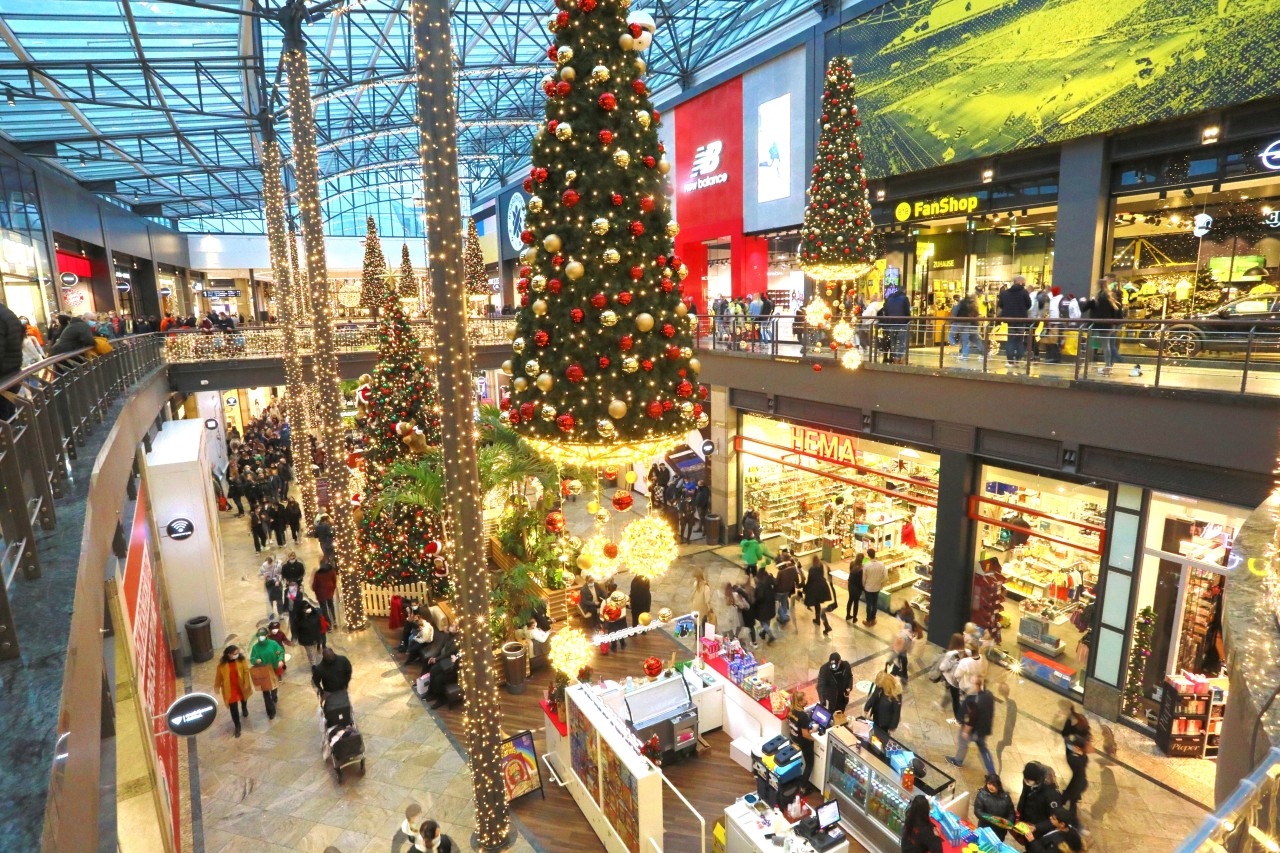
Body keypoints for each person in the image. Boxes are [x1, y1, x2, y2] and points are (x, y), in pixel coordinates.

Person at [948, 675, 996, 775]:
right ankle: (992, 772)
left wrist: (965, 731)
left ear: (977, 686)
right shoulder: (989, 695)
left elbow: (971, 718)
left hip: (973, 730)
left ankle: (958, 761)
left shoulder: (974, 700)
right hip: (983, 730)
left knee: (963, 743)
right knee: (983, 749)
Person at [213, 644, 253, 737]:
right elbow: (219, 676)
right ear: (229, 654)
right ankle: (237, 725)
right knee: (233, 708)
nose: (237, 655)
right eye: (234, 653)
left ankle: (244, 707)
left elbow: (246, 671)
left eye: (238, 653)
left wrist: (246, 683)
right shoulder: (222, 665)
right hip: (230, 689)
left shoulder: (241, 660)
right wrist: (217, 686)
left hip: (241, 685)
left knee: (244, 698)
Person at [248, 627, 284, 720]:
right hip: (263, 671)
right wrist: (256, 660)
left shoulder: (273, 644)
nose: (261, 638)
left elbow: (280, 651)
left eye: (262, 636)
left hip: (274, 669)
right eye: (259, 636)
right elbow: (252, 659)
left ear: (267, 635)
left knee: (274, 687)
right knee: (266, 692)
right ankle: (270, 711)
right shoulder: (255, 647)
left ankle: (274, 695)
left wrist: (280, 660)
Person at [1016, 762, 1063, 830]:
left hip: (1038, 828)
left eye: (1028, 781)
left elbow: (1055, 819)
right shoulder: (1029, 781)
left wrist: (1036, 827)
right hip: (1026, 822)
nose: (1026, 782)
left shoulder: (1052, 795)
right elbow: (1024, 796)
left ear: (1038, 780)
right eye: (1025, 779)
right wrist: (1019, 814)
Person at [973, 773, 1017, 841]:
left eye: (994, 785)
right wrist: (992, 818)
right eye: (989, 784)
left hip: (1000, 832)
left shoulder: (1006, 797)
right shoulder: (981, 795)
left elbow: (1011, 812)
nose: (991, 787)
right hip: (985, 828)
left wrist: (1008, 823)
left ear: (998, 786)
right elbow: (978, 811)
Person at [879, 285, 911, 363]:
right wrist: (908, 321)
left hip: (891, 324)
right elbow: (907, 312)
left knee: (893, 341)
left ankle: (894, 357)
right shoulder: (904, 298)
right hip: (902, 323)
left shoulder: (889, 299)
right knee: (902, 341)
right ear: (904, 291)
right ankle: (898, 357)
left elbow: (885, 311)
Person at [1062, 733, 1089, 826]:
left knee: (1072, 802)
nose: (1070, 746)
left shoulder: (1074, 759)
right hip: (1081, 782)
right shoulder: (1084, 757)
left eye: (1072, 745)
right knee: (1067, 796)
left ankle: (1073, 822)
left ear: (1077, 748)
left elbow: (1069, 756)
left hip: (1077, 785)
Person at [939, 633, 966, 723]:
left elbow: (942, 667)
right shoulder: (966, 652)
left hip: (952, 680)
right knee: (955, 696)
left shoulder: (951, 653)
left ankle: (958, 718)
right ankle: (943, 705)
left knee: (954, 698)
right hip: (962, 680)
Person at [803, 557, 832, 635]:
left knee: (817, 604)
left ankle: (825, 625)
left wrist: (805, 589)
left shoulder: (812, 569)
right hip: (822, 587)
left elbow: (809, 580)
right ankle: (818, 620)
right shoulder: (821, 566)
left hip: (815, 588)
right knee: (817, 604)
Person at [294, 599, 325, 665]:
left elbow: (319, 625)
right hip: (306, 639)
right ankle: (313, 664)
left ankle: (314, 661)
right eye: (305, 608)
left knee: (313, 650)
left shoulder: (315, 614)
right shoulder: (299, 619)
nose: (308, 609)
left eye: (308, 607)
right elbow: (296, 629)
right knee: (310, 652)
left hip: (315, 637)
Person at [751, 567, 778, 644]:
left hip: (763, 607)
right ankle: (763, 632)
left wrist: (754, 593)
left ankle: (770, 634)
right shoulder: (769, 578)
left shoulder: (760, 585)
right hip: (770, 603)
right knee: (768, 620)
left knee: (763, 622)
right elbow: (776, 582)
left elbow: (759, 597)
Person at [861, 548, 886, 626]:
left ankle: (868, 620)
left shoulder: (866, 566)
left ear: (868, 556)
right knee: (875, 604)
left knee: (869, 604)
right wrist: (881, 583)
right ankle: (873, 618)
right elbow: (885, 577)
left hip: (868, 588)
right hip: (877, 588)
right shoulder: (881, 564)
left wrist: (864, 585)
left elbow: (863, 578)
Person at [312, 558, 339, 627]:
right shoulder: (331, 571)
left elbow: (314, 585)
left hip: (321, 594)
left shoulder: (317, 574)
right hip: (329, 592)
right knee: (331, 606)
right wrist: (332, 589)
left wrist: (316, 591)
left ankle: (328, 624)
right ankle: (334, 620)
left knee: (324, 609)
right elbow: (334, 581)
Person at [774, 550, 798, 624]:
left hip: (780, 590)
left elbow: (776, 582)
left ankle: (783, 617)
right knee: (784, 601)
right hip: (788, 589)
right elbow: (796, 579)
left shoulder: (781, 572)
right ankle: (785, 615)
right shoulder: (794, 569)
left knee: (776, 602)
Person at [690, 569, 713, 637]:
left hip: (695, 606)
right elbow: (707, 600)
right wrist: (710, 608)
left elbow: (692, 595)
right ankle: (703, 637)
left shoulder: (695, 584)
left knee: (696, 622)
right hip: (703, 608)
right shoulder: (706, 587)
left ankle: (696, 636)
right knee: (703, 623)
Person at [844, 552, 865, 622]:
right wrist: (863, 588)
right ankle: (854, 618)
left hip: (851, 585)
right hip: (857, 587)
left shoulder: (852, 563)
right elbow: (860, 581)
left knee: (850, 600)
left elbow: (851, 572)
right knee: (856, 603)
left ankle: (847, 615)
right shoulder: (861, 569)